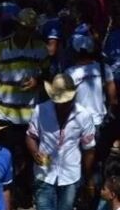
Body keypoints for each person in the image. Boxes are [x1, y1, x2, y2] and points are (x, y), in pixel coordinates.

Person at [0, 8, 49, 208]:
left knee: (29, 159)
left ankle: (25, 196)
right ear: (17, 26)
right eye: (24, 28)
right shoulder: (0, 48)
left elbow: (48, 76)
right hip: (5, 114)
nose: (26, 32)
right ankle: (4, 196)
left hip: (30, 116)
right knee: (3, 157)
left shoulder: (40, 48)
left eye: (30, 29)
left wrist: (38, 81)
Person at [27, 74, 97, 210]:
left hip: (71, 175)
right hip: (44, 174)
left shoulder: (84, 116)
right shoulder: (40, 110)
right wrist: (34, 152)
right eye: (59, 101)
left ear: (74, 96)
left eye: (66, 101)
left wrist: (88, 179)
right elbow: (30, 136)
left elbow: (89, 150)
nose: (62, 104)